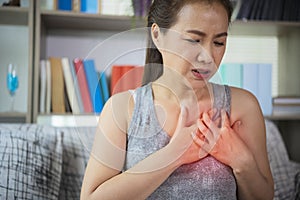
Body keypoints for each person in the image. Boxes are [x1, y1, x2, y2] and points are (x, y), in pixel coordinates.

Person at [81, 0, 274, 199]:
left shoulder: (242, 107)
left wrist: (241, 160)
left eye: (218, 42)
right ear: (157, 35)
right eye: (194, 40)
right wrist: (173, 155)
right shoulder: (122, 109)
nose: (208, 57)